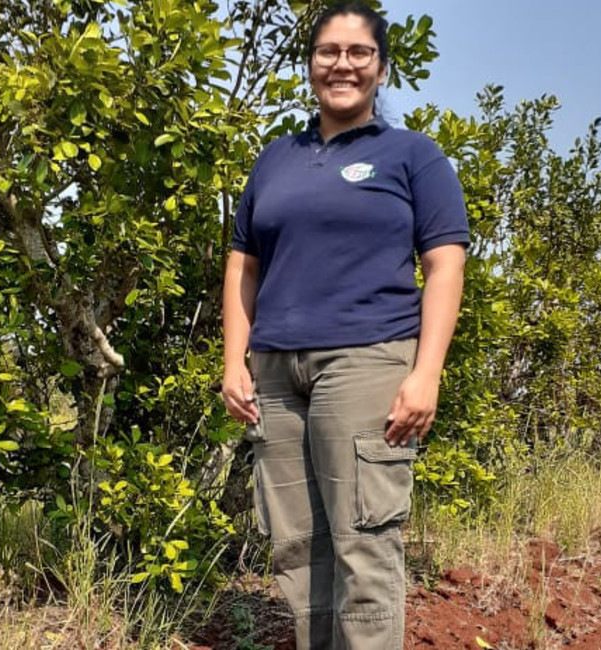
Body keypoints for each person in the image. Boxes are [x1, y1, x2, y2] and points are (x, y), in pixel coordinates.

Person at [221, 3, 468, 648]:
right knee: (298, 552)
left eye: (359, 53)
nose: (343, 64)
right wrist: (233, 362)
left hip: (365, 361)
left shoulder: (413, 156)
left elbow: (444, 265)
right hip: (276, 373)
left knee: (364, 547)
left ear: (381, 68)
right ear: (310, 65)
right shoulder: (276, 159)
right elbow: (242, 266)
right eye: (329, 51)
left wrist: (426, 374)